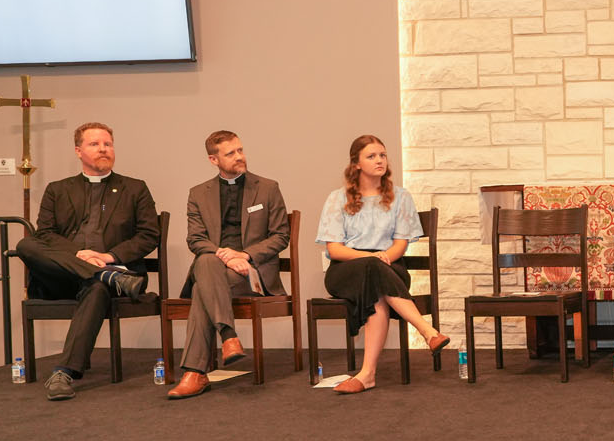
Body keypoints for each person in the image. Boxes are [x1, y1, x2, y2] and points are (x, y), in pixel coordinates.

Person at [15, 123, 160, 401]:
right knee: (25, 244)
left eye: (108, 144)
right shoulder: (57, 189)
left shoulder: (134, 188)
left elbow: (148, 235)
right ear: (78, 151)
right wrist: (81, 254)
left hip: (115, 274)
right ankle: (102, 274)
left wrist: (108, 258)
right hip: (62, 278)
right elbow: (44, 235)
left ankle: (63, 372)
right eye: (95, 144)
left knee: (96, 287)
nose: (103, 149)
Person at [314, 134, 447, 394]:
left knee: (375, 281)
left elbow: (400, 244)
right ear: (356, 164)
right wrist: (370, 258)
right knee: (371, 271)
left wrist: (382, 257)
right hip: (346, 269)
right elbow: (335, 249)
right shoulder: (337, 198)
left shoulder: (401, 196)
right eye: (371, 156)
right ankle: (426, 330)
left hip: (389, 264)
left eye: (382, 155)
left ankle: (367, 375)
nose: (379, 160)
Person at [164, 131, 292, 400]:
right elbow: (196, 239)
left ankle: (195, 373)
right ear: (213, 159)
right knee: (207, 262)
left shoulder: (267, 187)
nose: (239, 157)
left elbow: (281, 235)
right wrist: (225, 257)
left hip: (251, 273)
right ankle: (228, 336)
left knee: (202, 287)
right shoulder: (198, 193)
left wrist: (244, 256)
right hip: (216, 266)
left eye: (241, 150)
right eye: (231, 153)